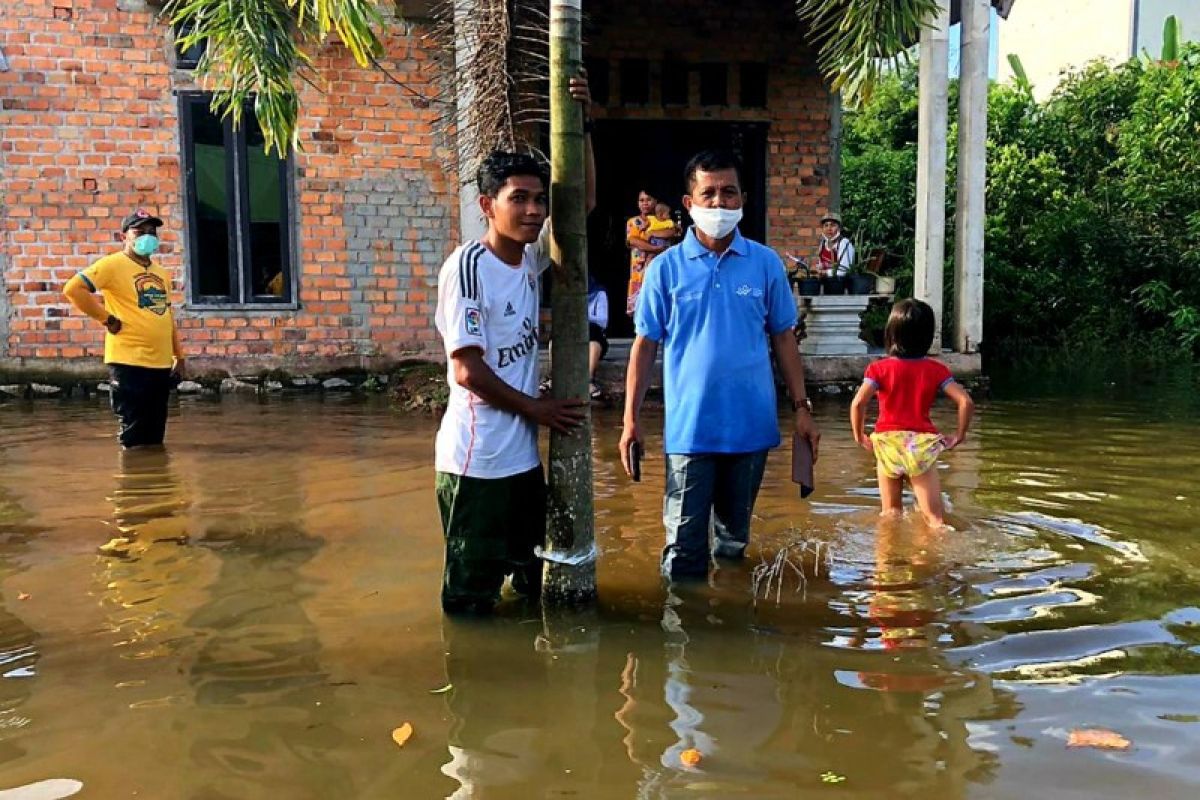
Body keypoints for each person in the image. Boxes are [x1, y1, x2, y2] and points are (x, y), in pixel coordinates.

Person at [433, 76, 596, 614]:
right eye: (518, 199)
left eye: (538, 200)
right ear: (488, 204)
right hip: (476, 464)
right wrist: (539, 409)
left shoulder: (527, 259)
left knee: (532, 581)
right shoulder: (468, 267)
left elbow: (584, 204)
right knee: (470, 600)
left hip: (521, 461)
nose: (533, 211)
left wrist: (583, 121)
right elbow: (468, 371)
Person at [620, 149, 821, 580]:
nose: (719, 203)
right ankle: (684, 637)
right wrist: (630, 421)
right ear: (688, 204)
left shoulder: (765, 264)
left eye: (729, 193)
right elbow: (644, 346)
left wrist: (802, 410)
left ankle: (730, 625)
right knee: (682, 551)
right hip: (690, 431)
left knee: (733, 544)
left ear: (743, 199)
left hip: (751, 430)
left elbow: (784, 338)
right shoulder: (665, 269)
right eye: (708, 193)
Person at [63, 209, 186, 449]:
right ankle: (131, 481)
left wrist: (179, 356)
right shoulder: (112, 265)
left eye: (152, 232)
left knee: (155, 433)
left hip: (159, 363)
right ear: (124, 237)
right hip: (129, 362)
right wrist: (106, 318)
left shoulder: (161, 273)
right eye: (140, 232)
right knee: (133, 433)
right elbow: (73, 289)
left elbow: (166, 316)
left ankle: (153, 481)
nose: (147, 237)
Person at [849, 298, 975, 527]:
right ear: (928, 336)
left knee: (891, 514)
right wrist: (959, 435)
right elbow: (965, 401)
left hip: (887, 445)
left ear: (891, 334)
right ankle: (938, 557)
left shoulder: (878, 369)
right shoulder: (936, 370)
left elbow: (858, 404)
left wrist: (859, 436)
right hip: (919, 447)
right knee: (935, 519)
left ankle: (885, 561)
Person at [625, 190, 666, 316]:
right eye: (641, 200)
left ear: (656, 202)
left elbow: (671, 234)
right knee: (639, 309)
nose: (645, 203)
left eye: (648, 200)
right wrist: (656, 249)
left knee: (659, 303)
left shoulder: (664, 221)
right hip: (639, 271)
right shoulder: (634, 222)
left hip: (659, 268)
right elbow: (633, 240)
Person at [587, 275, 609, 400]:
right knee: (555, 338)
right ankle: (553, 377)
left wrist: (582, 317)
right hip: (572, 339)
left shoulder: (599, 293)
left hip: (593, 335)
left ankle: (589, 381)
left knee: (594, 338)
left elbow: (602, 320)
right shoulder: (566, 294)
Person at [816, 212, 855, 277]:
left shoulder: (844, 243)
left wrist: (824, 272)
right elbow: (821, 265)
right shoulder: (823, 244)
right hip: (827, 283)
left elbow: (843, 271)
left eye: (833, 225)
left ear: (839, 228)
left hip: (842, 284)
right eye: (826, 225)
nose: (829, 229)